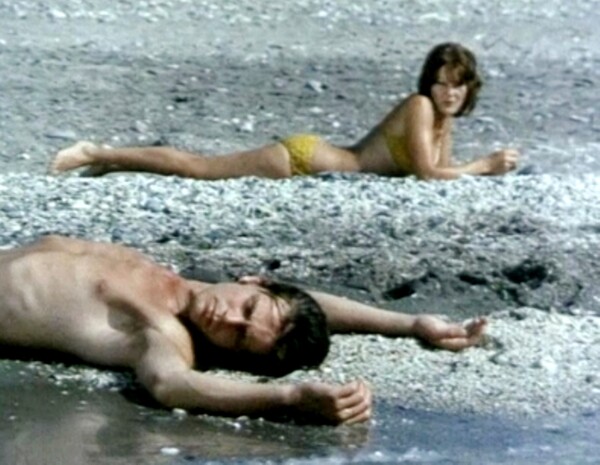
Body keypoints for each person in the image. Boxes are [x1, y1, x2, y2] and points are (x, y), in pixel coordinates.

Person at [0, 235, 486, 425]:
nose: (228, 318)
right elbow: (298, 304)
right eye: (247, 306)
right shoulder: (179, 283)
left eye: (237, 336)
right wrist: (409, 323)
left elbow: (171, 385)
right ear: (254, 281)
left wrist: (290, 398)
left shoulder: (163, 332)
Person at [49, 42, 519, 181]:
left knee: (198, 169)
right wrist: (485, 165)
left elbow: (441, 172)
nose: (448, 93)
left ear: (468, 88)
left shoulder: (442, 121)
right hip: (300, 160)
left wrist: (478, 168)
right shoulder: (419, 106)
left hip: (318, 160)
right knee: (199, 168)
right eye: (441, 83)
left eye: (457, 85)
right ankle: (96, 151)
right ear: (428, 84)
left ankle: (117, 163)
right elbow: (428, 175)